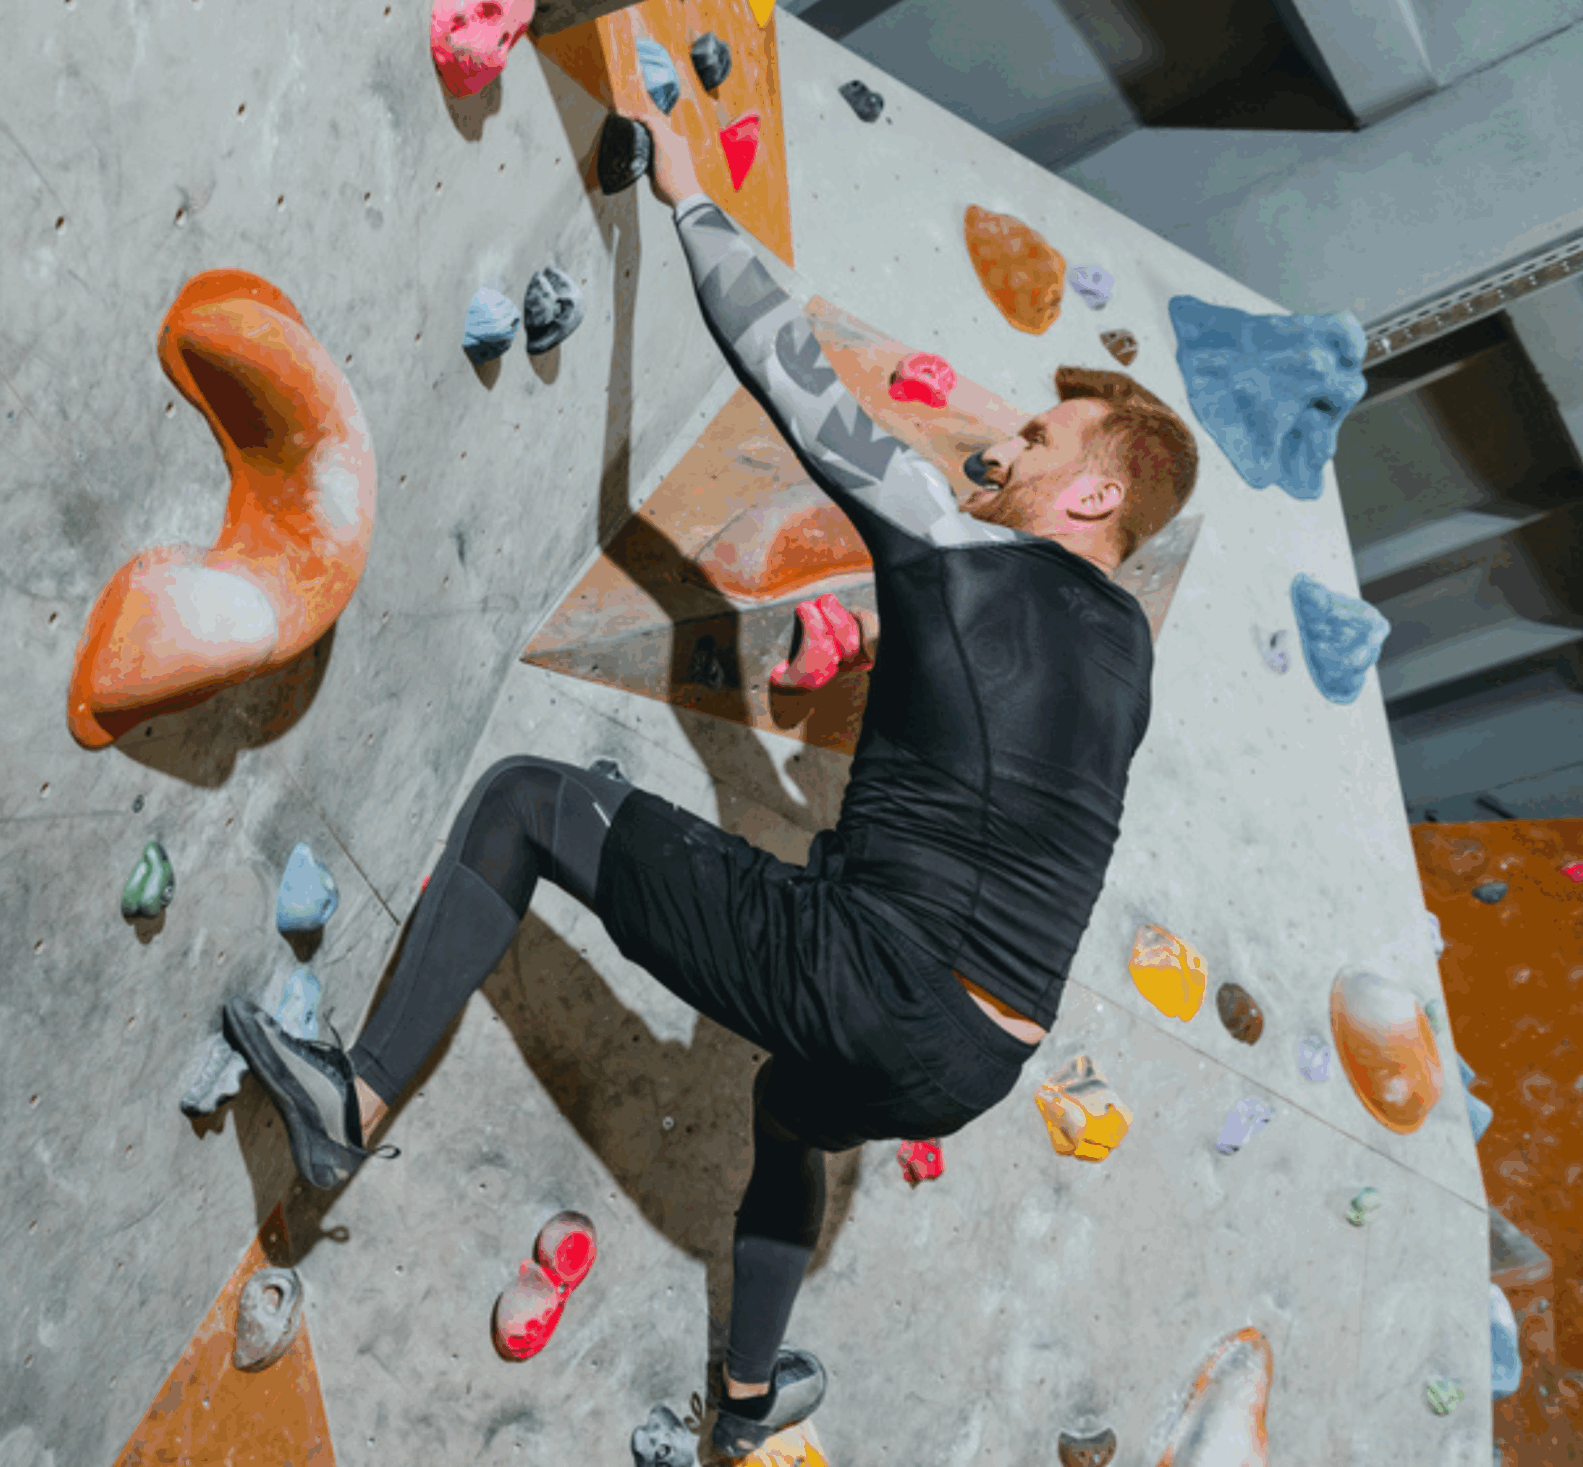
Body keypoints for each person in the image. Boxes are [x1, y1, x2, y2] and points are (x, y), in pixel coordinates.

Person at [218, 91, 1198, 1461]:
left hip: (868, 975)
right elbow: (997, 767)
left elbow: (789, 368)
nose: (1009, 444)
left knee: (523, 799)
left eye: (1040, 441)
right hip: (980, 1057)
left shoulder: (959, 551)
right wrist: (946, 545)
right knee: (790, 1107)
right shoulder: (1130, 658)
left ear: (1096, 496)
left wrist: (686, 189)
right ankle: (743, 1404)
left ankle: (352, 1099)